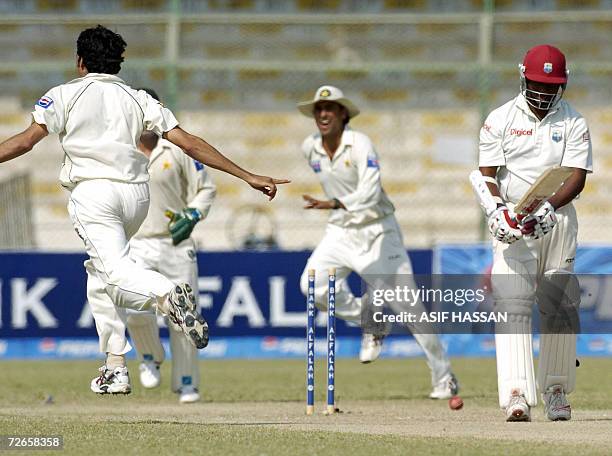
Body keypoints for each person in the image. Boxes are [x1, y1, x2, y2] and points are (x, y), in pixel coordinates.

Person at [0, 25, 289, 394]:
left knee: (116, 272)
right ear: (119, 63)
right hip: (137, 197)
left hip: (94, 194)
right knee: (100, 277)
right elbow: (190, 143)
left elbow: (26, 141)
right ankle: (115, 365)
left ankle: (169, 295)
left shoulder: (62, 94)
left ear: (80, 61)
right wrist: (246, 175)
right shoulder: (139, 98)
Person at [297, 85, 458, 399]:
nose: (323, 114)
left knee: (411, 311)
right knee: (310, 285)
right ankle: (370, 318)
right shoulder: (310, 147)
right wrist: (337, 210)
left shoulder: (360, 144)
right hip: (341, 231)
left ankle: (444, 378)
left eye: (329, 109)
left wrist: (335, 203)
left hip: (378, 231)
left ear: (343, 113)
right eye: (318, 109)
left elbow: (370, 193)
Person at [479, 44, 592, 421]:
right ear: (522, 76)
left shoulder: (573, 121)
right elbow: (486, 176)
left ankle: (557, 391)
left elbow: (576, 176)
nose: (543, 93)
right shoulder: (499, 119)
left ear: (563, 84)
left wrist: (550, 207)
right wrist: (497, 212)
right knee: (512, 306)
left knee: (559, 305)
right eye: (537, 84)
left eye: (551, 86)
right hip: (514, 221)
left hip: (557, 221)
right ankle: (516, 394)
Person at [123, 88, 215, 403]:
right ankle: (149, 356)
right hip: (136, 244)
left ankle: (187, 382)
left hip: (176, 243)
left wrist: (194, 212)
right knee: (134, 308)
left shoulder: (176, 148)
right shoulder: (120, 149)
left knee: (184, 316)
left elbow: (205, 189)